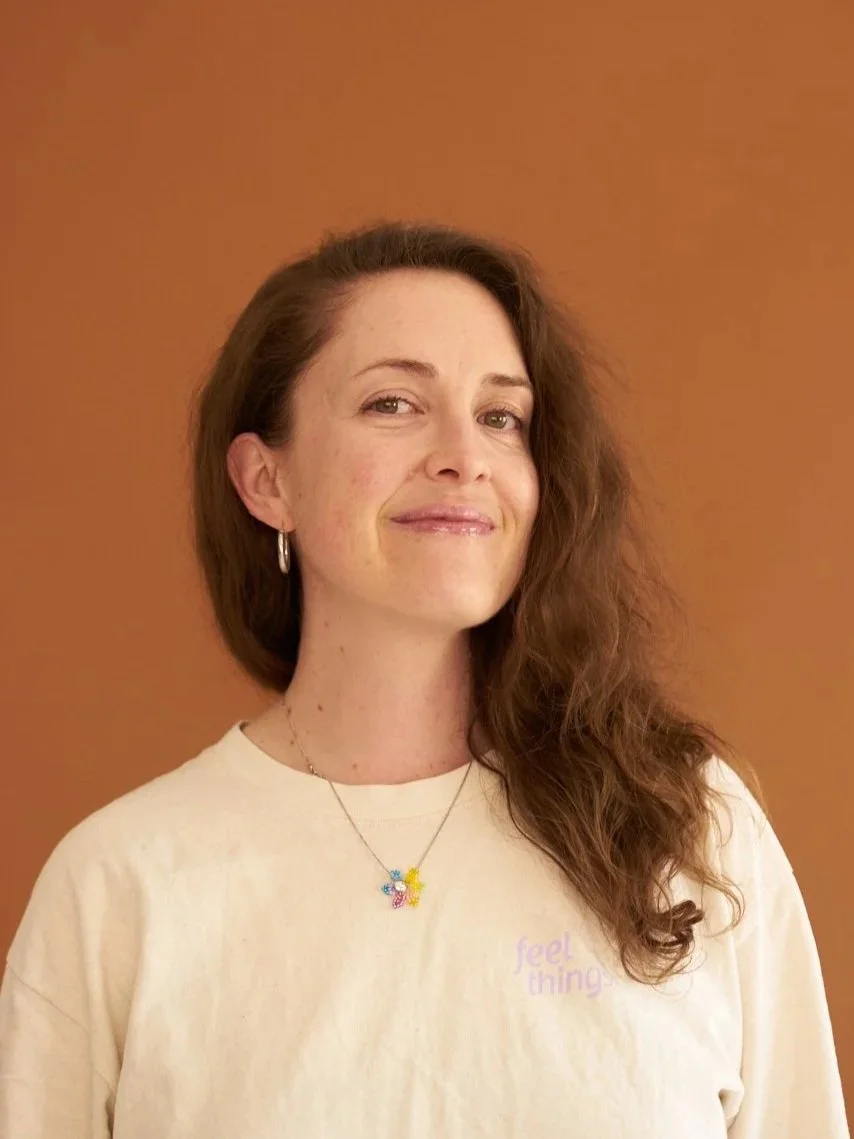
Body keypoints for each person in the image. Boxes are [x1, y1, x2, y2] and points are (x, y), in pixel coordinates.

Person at [0, 220, 849, 1138]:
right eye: (393, 405)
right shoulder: (118, 886)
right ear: (265, 479)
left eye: (501, 417)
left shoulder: (685, 825)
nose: (464, 455)